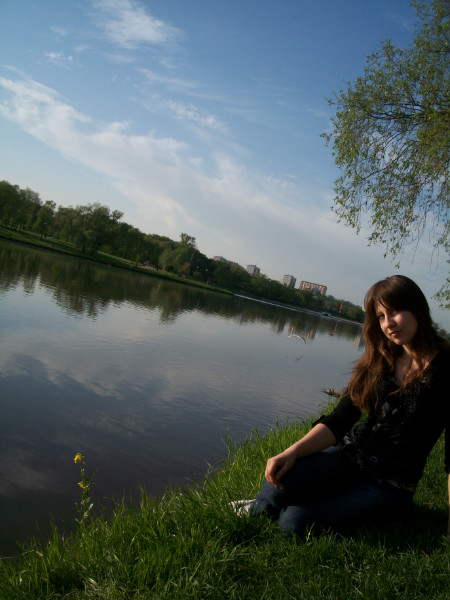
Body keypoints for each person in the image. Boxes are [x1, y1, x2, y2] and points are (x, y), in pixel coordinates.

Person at [234, 275, 450, 538]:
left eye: (394, 312)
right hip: (348, 457)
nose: (388, 323)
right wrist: (292, 452)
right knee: (280, 478)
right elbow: (341, 419)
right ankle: (264, 506)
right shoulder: (383, 356)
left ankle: (291, 506)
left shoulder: (445, 370)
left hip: (388, 485)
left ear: (417, 308)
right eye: (381, 316)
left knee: (293, 523)